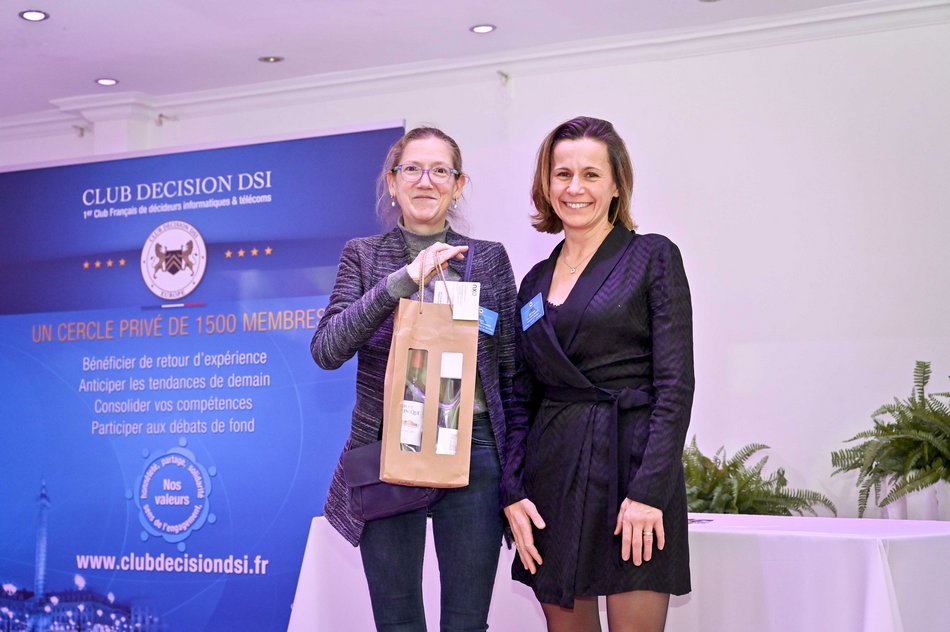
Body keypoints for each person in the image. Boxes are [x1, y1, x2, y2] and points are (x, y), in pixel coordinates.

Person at [311, 126, 517, 631]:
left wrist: (517, 472)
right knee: (397, 620)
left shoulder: (489, 258)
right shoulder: (364, 255)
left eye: (440, 170)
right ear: (393, 181)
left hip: (475, 450)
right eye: (413, 169)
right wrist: (402, 282)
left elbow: (513, 373)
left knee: (467, 623)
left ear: (458, 184)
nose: (426, 181)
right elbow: (327, 349)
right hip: (388, 450)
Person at [502, 116, 694, 632]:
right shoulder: (533, 282)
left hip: (632, 471)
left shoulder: (652, 256)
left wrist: (650, 491)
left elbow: (675, 387)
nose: (575, 188)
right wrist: (512, 489)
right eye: (562, 174)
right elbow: (521, 398)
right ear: (547, 185)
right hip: (553, 477)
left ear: (615, 185)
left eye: (591, 174)